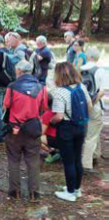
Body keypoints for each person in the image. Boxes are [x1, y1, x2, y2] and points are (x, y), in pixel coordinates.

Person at [3, 60, 48, 202]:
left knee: (14, 160)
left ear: (19, 71)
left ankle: (15, 192)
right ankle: (34, 194)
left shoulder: (12, 87)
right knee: (33, 161)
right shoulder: (41, 87)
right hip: (33, 128)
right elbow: (44, 107)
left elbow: (6, 105)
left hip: (15, 129)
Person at [50, 62, 92, 202]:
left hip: (66, 128)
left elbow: (59, 116)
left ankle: (70, 193)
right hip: (80, 126)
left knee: (68, 161)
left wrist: (51, 121)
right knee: (77, 158)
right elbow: (89, 105)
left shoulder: (59, 92)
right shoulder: (82, 87)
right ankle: (77, 189)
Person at [81, 47, 105, 173]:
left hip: (80, 105)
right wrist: (92, 103)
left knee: (92, 130)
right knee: (91, 135)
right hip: (94, 105)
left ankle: (96, 155)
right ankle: (86, 164)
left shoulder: (79, 70)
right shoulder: (99, 70)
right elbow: (101, 91)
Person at [41, 94, 60, 164]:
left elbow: (41, 132)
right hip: (65, 137)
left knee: (35, 138)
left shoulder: (48, 114)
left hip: (56, 139)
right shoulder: (59, 112)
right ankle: (58, 151)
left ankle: (52, 153)